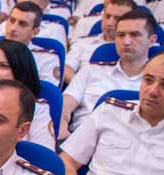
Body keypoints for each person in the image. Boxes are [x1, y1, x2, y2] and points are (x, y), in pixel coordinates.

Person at [60, 10, 157, 138]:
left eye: (134, 35)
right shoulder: (91, 70)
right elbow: (65, 104)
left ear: (152, 40)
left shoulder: (159, 83)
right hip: (79, 138)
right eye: (120, 35)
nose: (126, 41)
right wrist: (62, 124)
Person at [65, 0, 136, 84]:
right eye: (107, 16)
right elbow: (66, 69)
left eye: (117, 18)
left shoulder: (138, 49)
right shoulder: (82, 43)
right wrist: (82, 86)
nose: (109, 23)